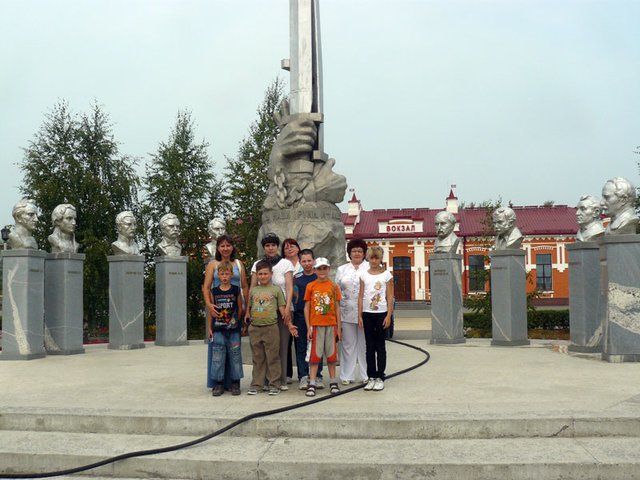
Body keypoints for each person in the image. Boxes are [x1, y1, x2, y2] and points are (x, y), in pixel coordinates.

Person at [202, 234, 249, 391]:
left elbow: (244, 286)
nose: (225, 248)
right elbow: (206, 287)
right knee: (218, 349)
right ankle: (218, 382)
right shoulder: (212, 264)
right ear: (218, 248)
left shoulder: (238, 264)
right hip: (218, 311)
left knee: (234, 349)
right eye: (222, 245)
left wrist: (247, 309)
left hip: (235, 311)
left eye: (228, 245)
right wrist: (209, 305)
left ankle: (234, 382)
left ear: (232, 247)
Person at [245, 260, 296, 396]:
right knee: (258, 357)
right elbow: (250, 307)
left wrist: (289, 324)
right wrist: (247, 316)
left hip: (271, 327)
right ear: (257, 275)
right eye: (260, 274)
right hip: (256, 327)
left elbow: (282, 309)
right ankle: (257, 384)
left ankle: (274, 384)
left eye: (265, 274)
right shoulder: (254, 290)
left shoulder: (276, 290)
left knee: (273, 357)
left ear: (271, 274)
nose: (263, 276)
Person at [251, 233, 294, 390]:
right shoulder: (257, 264)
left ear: (277, 246)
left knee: (280, 346)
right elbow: (253, 288)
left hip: (282, 309)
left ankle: (280, 380)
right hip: (263, 310)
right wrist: (250, 310)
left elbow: (289, 287)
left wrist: (287, 308)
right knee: (262, 350)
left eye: (273, 245)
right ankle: (263, 380)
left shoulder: (285, 264)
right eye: (267, 245)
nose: (270, 248)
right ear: (264, 247)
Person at [303, 257, 342, 397]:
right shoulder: (311, 286)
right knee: (315, 356)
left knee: (331, 355)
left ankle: (333, 381)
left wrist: (339, 327)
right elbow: (307, 307)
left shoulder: (333, 286)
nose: (322, 271)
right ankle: (312, 382)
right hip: (316, 325)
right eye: (319, 268)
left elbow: (337, 307)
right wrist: (308, 327)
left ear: (329, 269)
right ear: (315, 270)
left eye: (324, 268)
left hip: (331, 325)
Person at [358, 245, 393, 392]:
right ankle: (371, 376)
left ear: (380, 259)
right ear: (368, 258)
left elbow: (390, 296)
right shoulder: (363, 275)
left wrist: (389, 315)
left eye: (376, 258)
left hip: (381, 314)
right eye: (371, 258)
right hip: (367, 314)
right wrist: (359, 315)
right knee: (369, 347)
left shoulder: (387, 275)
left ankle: (380, 377)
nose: (373, 261)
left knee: (380, 346)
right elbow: (361, 296)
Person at [335, 239, 368, 386]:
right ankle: (346, 375)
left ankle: (366, 374)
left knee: (365, 344)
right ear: (349, 253)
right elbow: (336, 290)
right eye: (354, 251)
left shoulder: (370, 267)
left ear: (364, 253)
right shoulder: (342, 269)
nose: (357, 253)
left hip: (366, 312)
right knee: (348, 344)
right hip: (346, 311)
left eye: (360, 251)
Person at [207, 261, 243, 397]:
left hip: (233, 328)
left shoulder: (236, 290)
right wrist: (210, 327)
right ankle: (219, 383)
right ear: (218, 275)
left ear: (232, 274)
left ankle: (235, 382)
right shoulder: (214, 291)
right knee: (218, 355)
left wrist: (236, 322)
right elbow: (211, 310)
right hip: (218, 328)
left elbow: (240, 308)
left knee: (235, 355)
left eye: (227, 274)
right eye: (222, 274)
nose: (224, 276)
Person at [292, 248, 325, 390]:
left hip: (318, 316)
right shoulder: (296, 278)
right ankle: (303, 376)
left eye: (309, 261)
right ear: (300, 262)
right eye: (304, 261)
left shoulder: (319, 277)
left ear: (314, 261)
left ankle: (317, 375)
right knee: (301, 347)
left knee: (317, 346)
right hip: (300, 316)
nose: (307, 264)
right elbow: (293, 298)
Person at [282, 238, 302, 383]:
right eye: (286, 247)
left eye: (292, 246)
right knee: (286, 341)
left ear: (298, 248)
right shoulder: (281, 265)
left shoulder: (304, 263)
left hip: (301, 307)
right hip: (286, 307)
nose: (289, 249)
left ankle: (303, 373)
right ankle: (287, 373)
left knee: (300, 341)